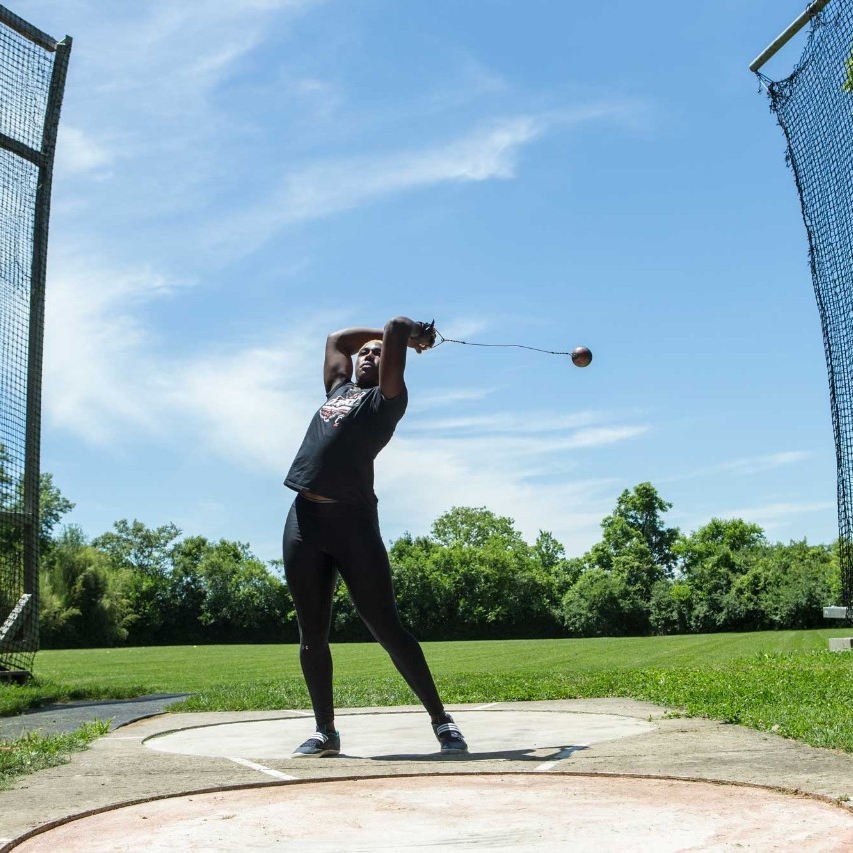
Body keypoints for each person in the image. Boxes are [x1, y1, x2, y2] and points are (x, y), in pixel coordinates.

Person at [282, 315, 468, 757]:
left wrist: (409, 335)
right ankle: (326, 731)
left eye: (379, 352)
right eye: (365, 351)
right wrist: (379, 337)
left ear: (394, 364)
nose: (368, 353)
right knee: (312, 634)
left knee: (387, 628)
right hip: (305, 521)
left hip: (354, 524)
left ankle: (442, 722)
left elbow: (397, 324)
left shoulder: (388, 400)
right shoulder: (338, 391)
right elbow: (335, 339)